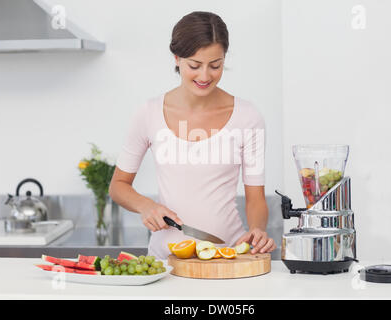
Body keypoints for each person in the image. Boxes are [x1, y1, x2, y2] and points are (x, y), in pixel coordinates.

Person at [109, 11, 276, 259]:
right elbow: (118, 186)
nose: (205, 76)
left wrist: (257, 229)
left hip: (227, 257)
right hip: (166, 261)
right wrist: (147, 206)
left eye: (215, 65)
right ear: (177, 58)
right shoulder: (149, 113)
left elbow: (255, 199)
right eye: (194, 66)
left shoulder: (248, 117)